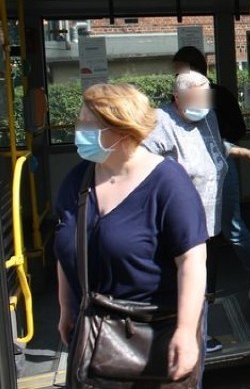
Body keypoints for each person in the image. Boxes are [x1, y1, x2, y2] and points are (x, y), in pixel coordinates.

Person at [54, 83, 208, 384]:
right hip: (92, 334)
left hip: (154, 339)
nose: (79, 130)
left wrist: (187, 332)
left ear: (122, 130)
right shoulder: (77, 180)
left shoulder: (167, 182)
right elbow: (65, 248)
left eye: (88, 123)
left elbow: (191, 261)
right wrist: (67, 308)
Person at [143, 70, 228, 354]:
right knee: (185, 279)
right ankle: (187, 336)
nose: (203, 104)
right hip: (180, 223)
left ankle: (203, 330)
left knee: (207, 280)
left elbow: (214, 151)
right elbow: (146, 164)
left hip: (211, 216)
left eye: (206, 97)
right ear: (177, 98)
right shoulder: (160, 121)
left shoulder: (209, 116)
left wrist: (241, 152)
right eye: (196, 98)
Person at [171, 46, 250, 301]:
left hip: (221, 163)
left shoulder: (218, 97)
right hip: (192, 170)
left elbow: (235, 129)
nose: (175, 75)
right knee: (199, 232)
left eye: (178, 69)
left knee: (230, 225)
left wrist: (230, 146)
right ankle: (204, 290)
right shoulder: (175, 103)